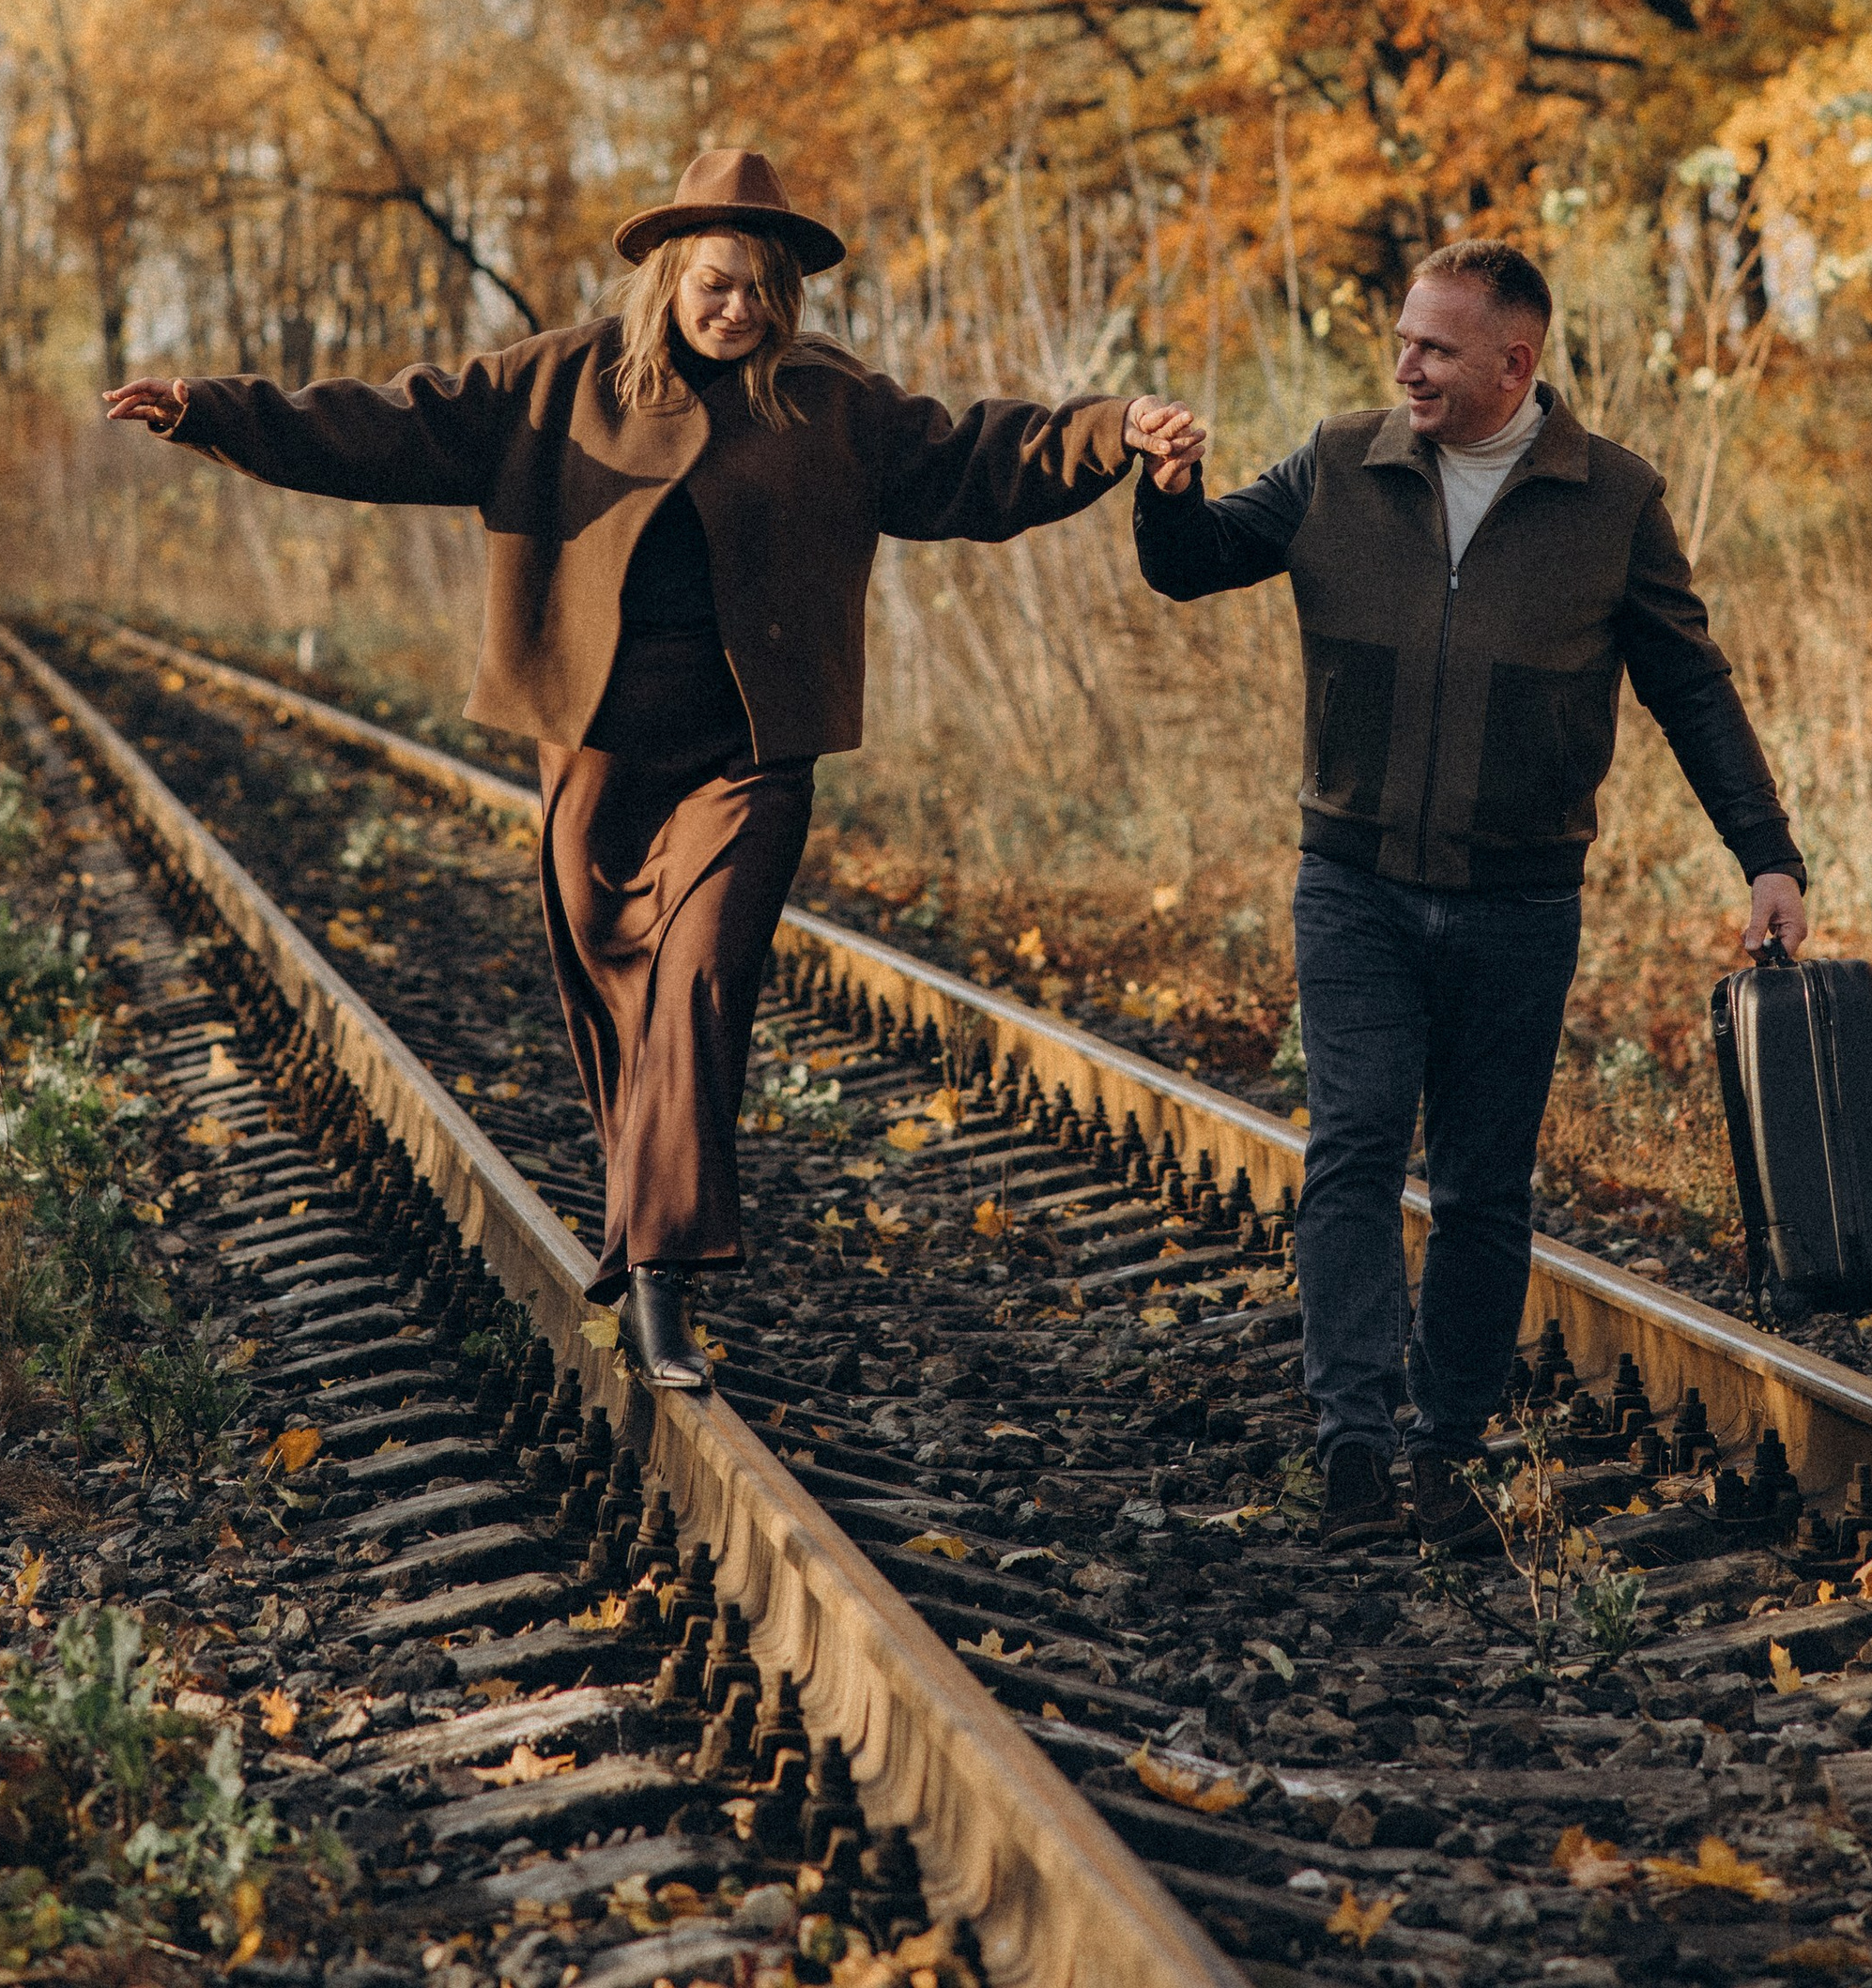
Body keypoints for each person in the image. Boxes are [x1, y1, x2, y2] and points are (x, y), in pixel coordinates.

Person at [104, 145, 1202, 1393]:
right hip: (603, 749)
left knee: (697, 982)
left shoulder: (829, 403)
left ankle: (664, 1291)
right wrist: (212, 411)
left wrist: (1113, 431)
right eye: (717, 286)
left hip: (746, 754)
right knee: (611, 987)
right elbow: (388, 427)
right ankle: (642, 1222)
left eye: (761, 293)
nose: (737, 310)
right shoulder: (563, 381)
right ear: (672, 275)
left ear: (789, 298)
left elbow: (971, 463)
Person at [1132, 236, 1806, 1552]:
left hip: (1518, 900)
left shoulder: (1611, 498)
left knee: (1488, 1184)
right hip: (1357, 885)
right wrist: (1168, 490)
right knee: (1356, 1147)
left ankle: (1444, 1451)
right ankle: (1351, 1447)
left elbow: (1691, 686)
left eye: (1436, 349)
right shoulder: (1341, 462)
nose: (1406, 368)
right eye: (1401, 340)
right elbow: (1193, 560)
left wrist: (1767, 852)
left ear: (1517, 360)